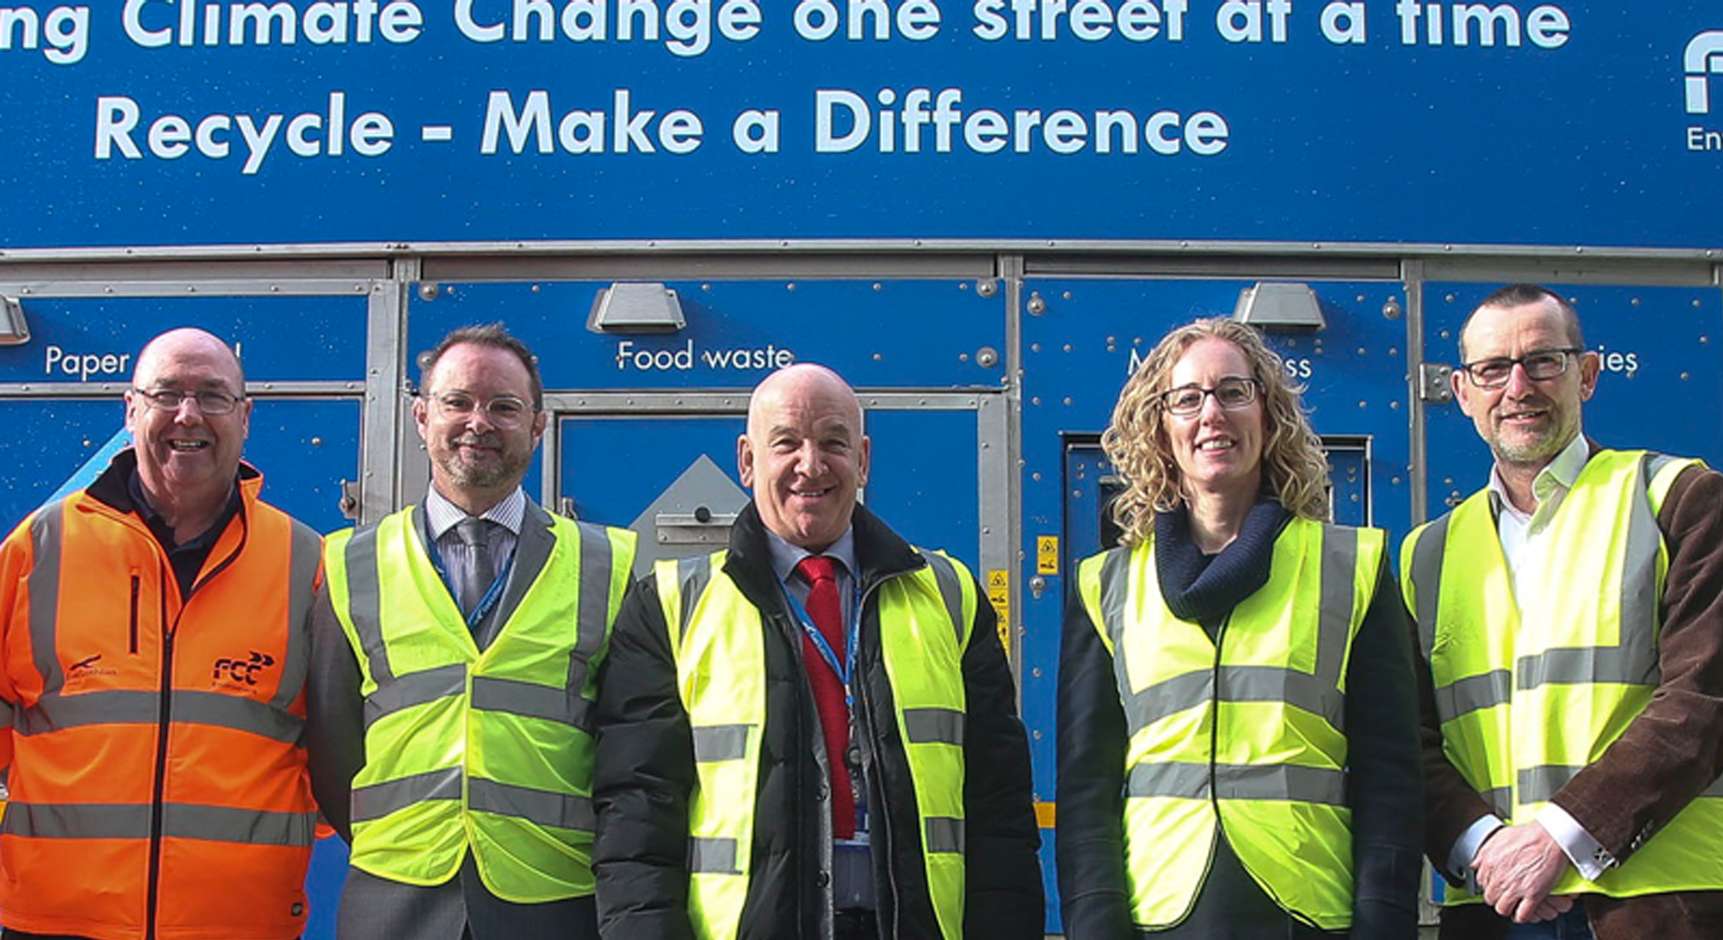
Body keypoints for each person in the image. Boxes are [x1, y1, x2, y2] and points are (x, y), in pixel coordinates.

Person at [592, 362, 1043, 940]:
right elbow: (636, 815)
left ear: (864, 459)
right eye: (787, 443)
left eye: (834, 442)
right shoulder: (669, 608)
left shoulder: (950, 597)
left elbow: (998, 807)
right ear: (747, 460)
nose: (812, 464)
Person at [1057, 317, 1423, 940]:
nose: (1211, 415)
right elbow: (1085, 790)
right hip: (1160, 913)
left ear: (1268, 414)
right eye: (1187, 399)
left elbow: (1391, 777)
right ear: (1161, 426)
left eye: (1234, 392)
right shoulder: (1104, 585)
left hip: (1309, 910)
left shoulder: (1353, 567)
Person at [1401, 284, 1723, 939]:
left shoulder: (1678, 498)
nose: (1517, 386)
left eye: (1542, 361)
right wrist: (1483, 845)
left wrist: (1557, 837)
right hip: (1495, 907)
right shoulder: (1426, 554)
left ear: (1586, 374)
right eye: (1492, 369)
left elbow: (1703, 699)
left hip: (1658, 905)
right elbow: (1409, 742)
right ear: (1462, 393)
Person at [306, 324, 636, 940]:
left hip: (555, 901)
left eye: (504, 407)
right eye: (457, 402)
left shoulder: (606, 565)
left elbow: (629, 752)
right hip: (393, 903)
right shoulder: (350, 563)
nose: (477, 422)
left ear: (538, 427)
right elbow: (331, 746)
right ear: (421, 416)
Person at [0, 328, 324, 940]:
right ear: (130, 409)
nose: (188, 414)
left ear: (245, 416)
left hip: (238, 923)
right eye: (166, 393)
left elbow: (335, 750)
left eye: (213, 396)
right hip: (55, 921)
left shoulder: (303, 561)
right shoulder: (40, 547)